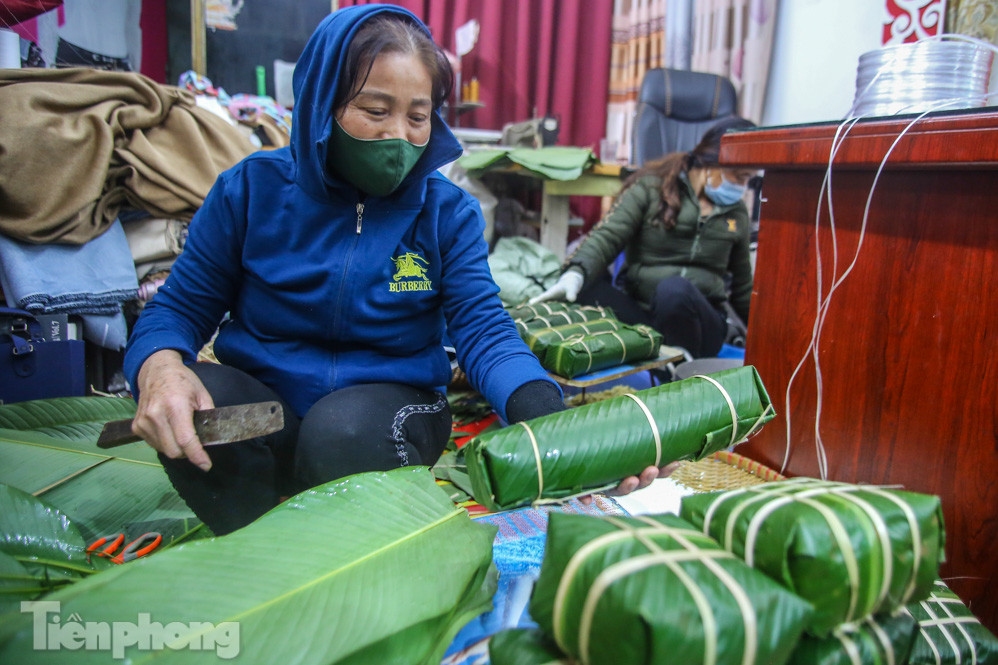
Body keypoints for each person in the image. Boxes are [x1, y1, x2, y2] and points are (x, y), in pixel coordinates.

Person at [124, 4, 670, 535]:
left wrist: (558, 428)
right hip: (271, 408)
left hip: (384, 410)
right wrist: (160, 370)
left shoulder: (447, 213)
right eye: (375, 110)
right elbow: (179, 308)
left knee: (343, 432)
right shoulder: (249, 191)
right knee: (204, 402)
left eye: (418, 116)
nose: (400, 136)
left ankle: (341, 543)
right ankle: (250, 544)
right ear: (322, 103)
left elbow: (483, 330)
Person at [531, 116, 758, 359]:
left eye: (748, 179)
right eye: (739, 177)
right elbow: (608, 235)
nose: (742, 187)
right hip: (643, 314)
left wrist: (769, 335)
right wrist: (575, 274)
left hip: (700, 325)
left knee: (674, 290)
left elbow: (743, 288)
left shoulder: (736, 213)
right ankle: (652, 349)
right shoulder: (651, 188)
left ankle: (678, 362)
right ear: (711, 161)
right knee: (586, 286)